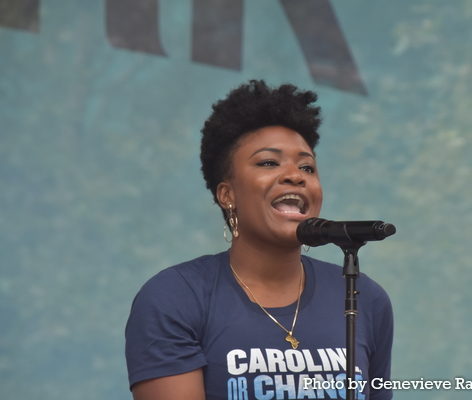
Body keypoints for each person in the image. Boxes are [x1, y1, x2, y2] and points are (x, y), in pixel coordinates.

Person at [125, 80, 394, 400]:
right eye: (269, 162)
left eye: (307, 166)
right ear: (227, 195)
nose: (296, 175)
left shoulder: (364, 298)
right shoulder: (175, 297)